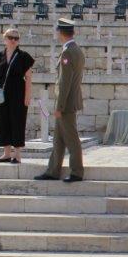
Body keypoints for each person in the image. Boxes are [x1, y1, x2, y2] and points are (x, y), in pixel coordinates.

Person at [35, 19, 84, 183]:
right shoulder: (77, 50)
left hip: (66, 104)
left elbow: (64, 82)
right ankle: (53, 170)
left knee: (71, 138)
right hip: (70, 101)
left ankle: (77, 171)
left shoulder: (67, 53)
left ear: (60, 33)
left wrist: (59, 106)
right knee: (58, 139)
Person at [0, 28, 35, 163]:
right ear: (5, 39)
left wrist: (27, 96)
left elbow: (28, 78)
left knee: (17, 121)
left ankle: (17, 155)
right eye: (10, 37)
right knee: (3, 121)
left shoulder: (24, 56)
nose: (13, 40)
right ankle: (6, 153)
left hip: (18, 93)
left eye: (16, 38)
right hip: (1, 93)